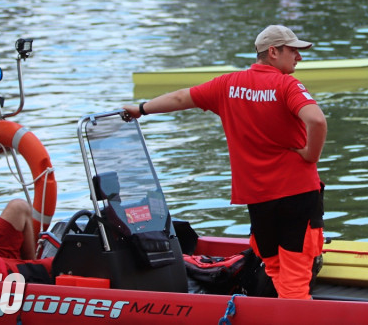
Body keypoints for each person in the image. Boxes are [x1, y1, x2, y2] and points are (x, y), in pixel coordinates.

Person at [124, 24, 326, 300]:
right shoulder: (286, 84)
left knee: (275, 268)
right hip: (297, 194)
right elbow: (316, 119)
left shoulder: (227, 85)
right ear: (273, 51)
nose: (299, 57)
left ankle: (284, 309)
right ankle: (296, 312)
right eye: (294, 51)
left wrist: (141, 109)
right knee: (295, 276)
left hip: (258, 197)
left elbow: (182, 98)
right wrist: (310, 154)